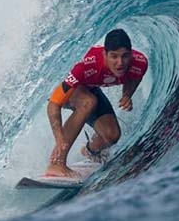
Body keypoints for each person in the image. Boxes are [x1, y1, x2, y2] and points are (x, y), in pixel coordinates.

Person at [45, 28, 148, 178]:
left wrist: (127, 95)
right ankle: (56, 164)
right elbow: (53, 104)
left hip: (90, 89)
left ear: (131, 54)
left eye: (125, 56)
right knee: (88, 102)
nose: (120, 63)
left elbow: (135, 77)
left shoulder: (139, 63)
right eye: (114, 56)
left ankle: (90, 152)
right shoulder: (87, 66)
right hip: (66, 87)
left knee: (111, 135)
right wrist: (60, 140)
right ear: (104, 54)